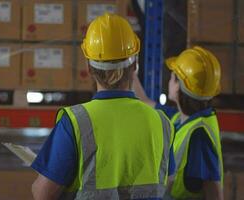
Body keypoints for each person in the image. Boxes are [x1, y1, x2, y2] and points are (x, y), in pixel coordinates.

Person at [30, 13, 174, 200]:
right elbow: (168, 181)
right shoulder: (161, 121)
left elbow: (42, 193)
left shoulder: (75, 122)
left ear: (89, 68)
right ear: (135, 66)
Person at [133, 46, 224, 200]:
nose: (169, 80)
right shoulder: (182, 118)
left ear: (179, 87)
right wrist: (131, 72)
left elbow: (214, 194)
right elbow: (145, 102)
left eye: (172, 76)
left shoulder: (198, 136)